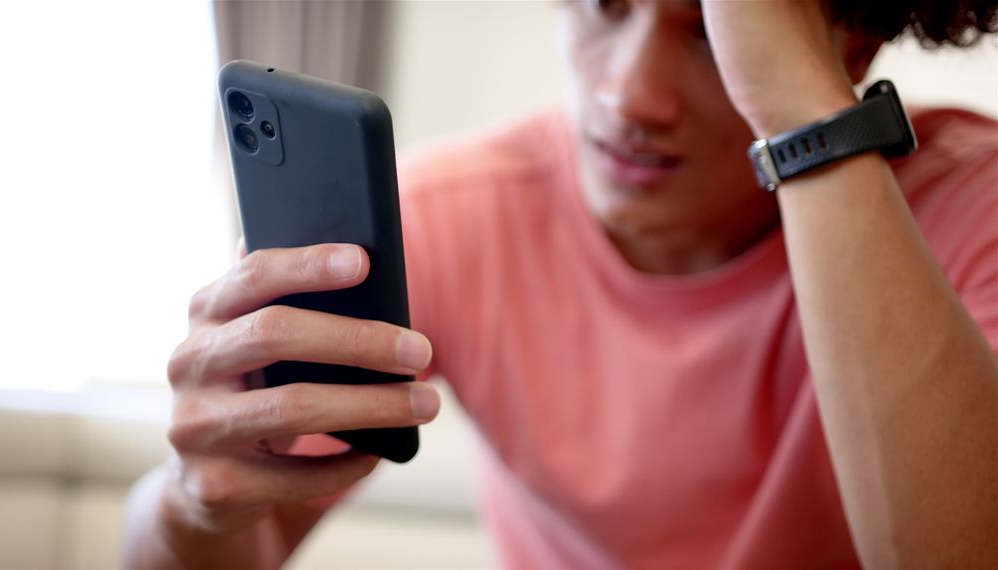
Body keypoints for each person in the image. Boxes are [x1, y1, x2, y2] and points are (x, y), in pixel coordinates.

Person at [123, 0, 998, 567]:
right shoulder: (450, 219)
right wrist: (191, 500)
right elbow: (247, 540)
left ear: (854, 41)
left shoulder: (971, 209)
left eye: (708, 32)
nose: (629, 94)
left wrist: (808, 121)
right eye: (604, 5)